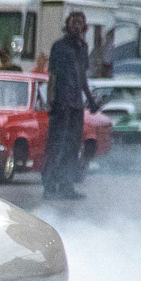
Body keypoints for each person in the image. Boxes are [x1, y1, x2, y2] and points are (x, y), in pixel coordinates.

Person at [43, 12, 97, 200]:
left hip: (76, 105)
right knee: (57, 145)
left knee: (73, 146)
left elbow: (82, 77)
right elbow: (53, 76)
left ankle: (66, 184)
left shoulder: (83, 48)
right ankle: (49, 186)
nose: (76, 25)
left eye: (80, 22)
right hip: (61, 103)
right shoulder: (59, 46)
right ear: (67, 25)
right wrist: (51, 101)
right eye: (73, 22)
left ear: (84, 26)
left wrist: (90, 100)